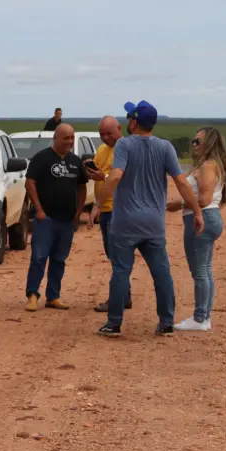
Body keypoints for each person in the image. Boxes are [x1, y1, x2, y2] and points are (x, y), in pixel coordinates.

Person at [92, 101, 203, 337]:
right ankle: (166, 322)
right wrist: (197, 211)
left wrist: (98, 204)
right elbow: (181, 181)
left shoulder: (124, 145)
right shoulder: (165, 147)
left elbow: (115, 177)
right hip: (153, 223)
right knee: (161, 272)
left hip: (125, 222)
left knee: (121, 271)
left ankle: (114, 323)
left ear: (133, 122)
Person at [166, 126, 226, 331]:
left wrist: (179, 204)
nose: (193, 144)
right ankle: (204, 317)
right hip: (208, 218)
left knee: (199, 271)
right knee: (204, 269)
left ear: (210, 143)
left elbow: (204, 199)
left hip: (201, 219)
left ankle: (199, 318)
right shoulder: (212, 165)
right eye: (193, 140)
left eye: (198, 141)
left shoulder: (207, 166)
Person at [23, 123, 87, 311]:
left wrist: (78, 213)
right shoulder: (41, 158)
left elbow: (82, 188)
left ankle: (53, 296)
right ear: (56, 138)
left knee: (59, 259)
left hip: (67, 220)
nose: (70, 141)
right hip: (46, 219)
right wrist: (39, 210)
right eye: (66, 138)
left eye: (72, 138)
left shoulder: (76, 162)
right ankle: (32, 295)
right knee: (39, 257)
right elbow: (29, 183)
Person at [89, 115, 132, 313]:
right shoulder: (102, 149)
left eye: (109, 133)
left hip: (118, 209)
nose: (105, 137)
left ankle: (117, 299)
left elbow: (125, 179)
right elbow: (99, 172)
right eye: (102, 134)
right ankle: (125, 296)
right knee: (113, 256)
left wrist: (104, 176)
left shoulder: (126, 148)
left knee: (118, 257)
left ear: (119, 129)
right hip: (105, 210)